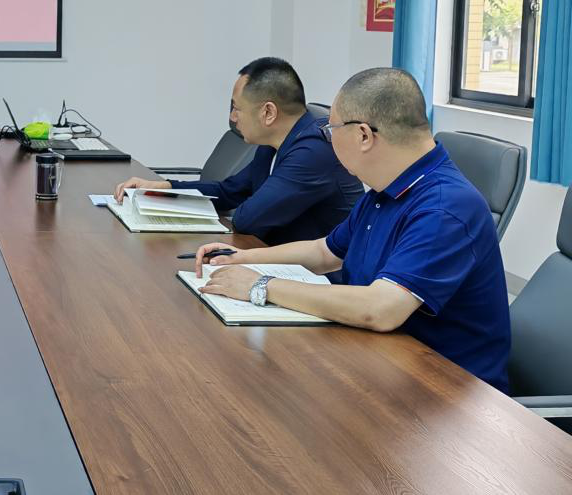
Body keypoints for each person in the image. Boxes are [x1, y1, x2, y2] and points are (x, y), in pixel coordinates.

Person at [194, 67, 511, 391]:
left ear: (363, 135)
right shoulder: (386, 190)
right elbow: (324, 252)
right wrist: (243, 257)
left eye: (331, 130)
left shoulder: (445, 208)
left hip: (444, 392)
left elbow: (380, 309)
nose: (328, 140)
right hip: (380, 359)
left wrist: (260, 285)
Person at [115, 57, 360, 244]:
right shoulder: (273, 143)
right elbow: (230, 191)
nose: (232, 117)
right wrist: (166, 187)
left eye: (237, 108)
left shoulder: (313, 152)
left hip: (323, 278)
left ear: (268, 112)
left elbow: (247, 219)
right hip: (276, 257)